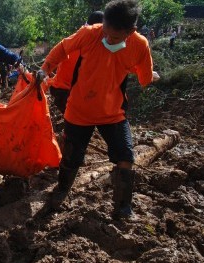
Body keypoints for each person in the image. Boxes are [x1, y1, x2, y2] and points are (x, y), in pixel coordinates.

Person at [38, 0, 158, 219]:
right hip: (79, 111)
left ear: (131, 31)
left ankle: (122, 207)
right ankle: (62, 190)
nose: (107, 39)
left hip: (113, 114)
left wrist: (147, 75)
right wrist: (45, 68)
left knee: (126, 157)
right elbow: (64, 47)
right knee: (72, 157)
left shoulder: (140, 45)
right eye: (105, 32)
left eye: (114, 37)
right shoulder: (90, 33)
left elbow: (145, 78)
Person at [49, 11, 104, 115]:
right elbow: (55, 57)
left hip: (77, 92)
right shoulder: (76, 41)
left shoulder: (99, 46)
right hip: (64, 91)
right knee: (76, 122)